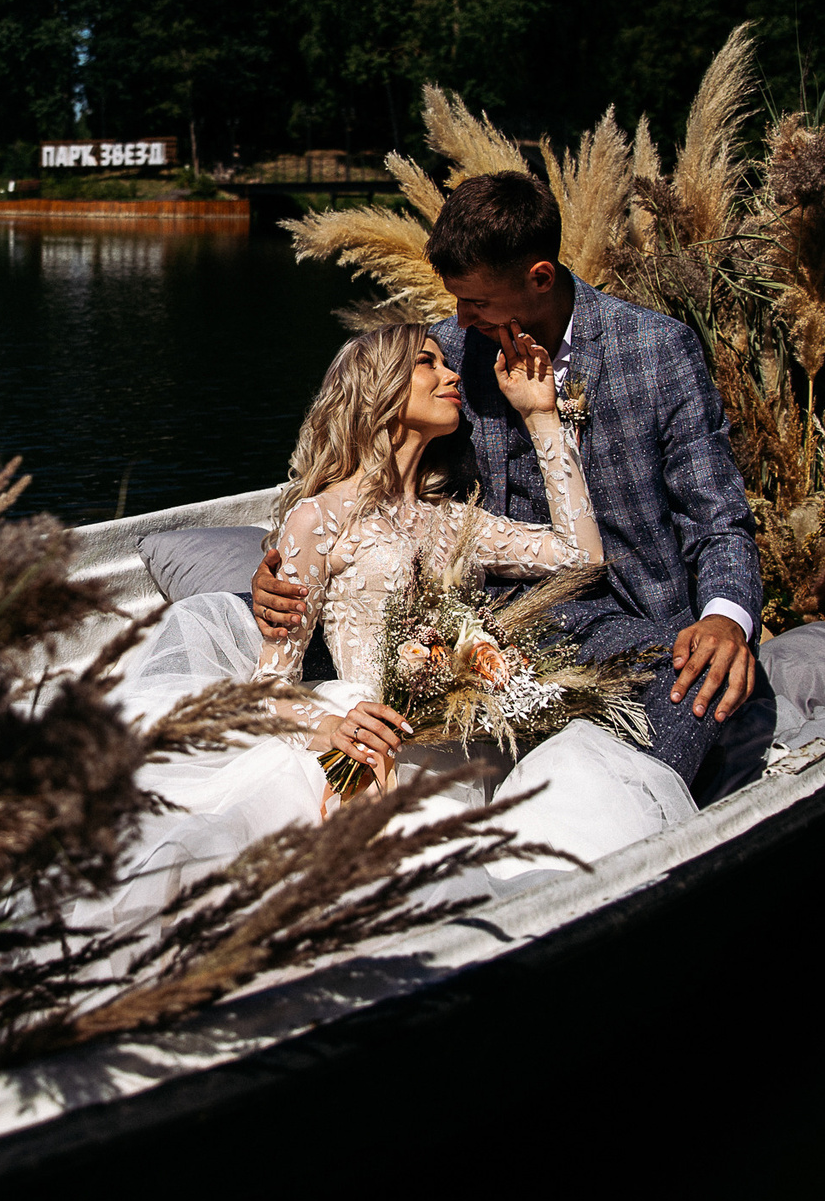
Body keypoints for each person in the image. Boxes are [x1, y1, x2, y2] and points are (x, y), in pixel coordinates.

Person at [91, 323, 696, 942]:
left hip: (459, 760)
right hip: (365, 749)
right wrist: (330, 727)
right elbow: (268, 687)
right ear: (378, 390)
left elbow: (580, 557)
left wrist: (544, 419)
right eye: (428, 363)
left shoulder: (454, 521)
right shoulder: (318, 519)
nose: (452, 374)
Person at [252, 172, 774, 802]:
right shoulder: (446, 357)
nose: (458, 320)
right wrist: (273, 580)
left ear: (540, 278)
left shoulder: (657, 350)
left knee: (707, 679)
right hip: (493, 627)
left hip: (631, 612)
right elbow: (351, 488)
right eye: (454, 301)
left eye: (474, 302)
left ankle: (620, 816)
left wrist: (725, 619)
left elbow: (718, 518)